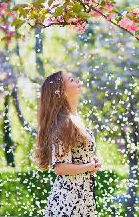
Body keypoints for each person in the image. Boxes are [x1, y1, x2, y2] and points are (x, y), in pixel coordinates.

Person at [34, 70, 101, 216]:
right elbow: (60, 167)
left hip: (82, 198)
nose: (77, 81)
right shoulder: (63, 123)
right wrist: (89, 166)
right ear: (61, 92)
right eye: (71, 80)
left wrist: (92, 161)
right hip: (68, 202)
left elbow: (77, 155)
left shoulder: (74, 118)